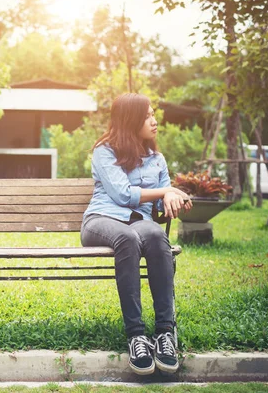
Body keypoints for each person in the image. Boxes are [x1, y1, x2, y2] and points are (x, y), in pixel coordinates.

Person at [80, 93, 192, 376]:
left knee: (155, 235)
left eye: (154, 115)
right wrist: (166, 191)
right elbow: (122, 194)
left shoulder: (157, 159)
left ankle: (165, 334)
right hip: (101, 221)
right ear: (130, 120)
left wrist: (171, 201)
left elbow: (157, 204)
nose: (154, 121)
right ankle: (136, 336)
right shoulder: (105, 151)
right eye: (147, 116)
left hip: (138, 222)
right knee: (127, 238)